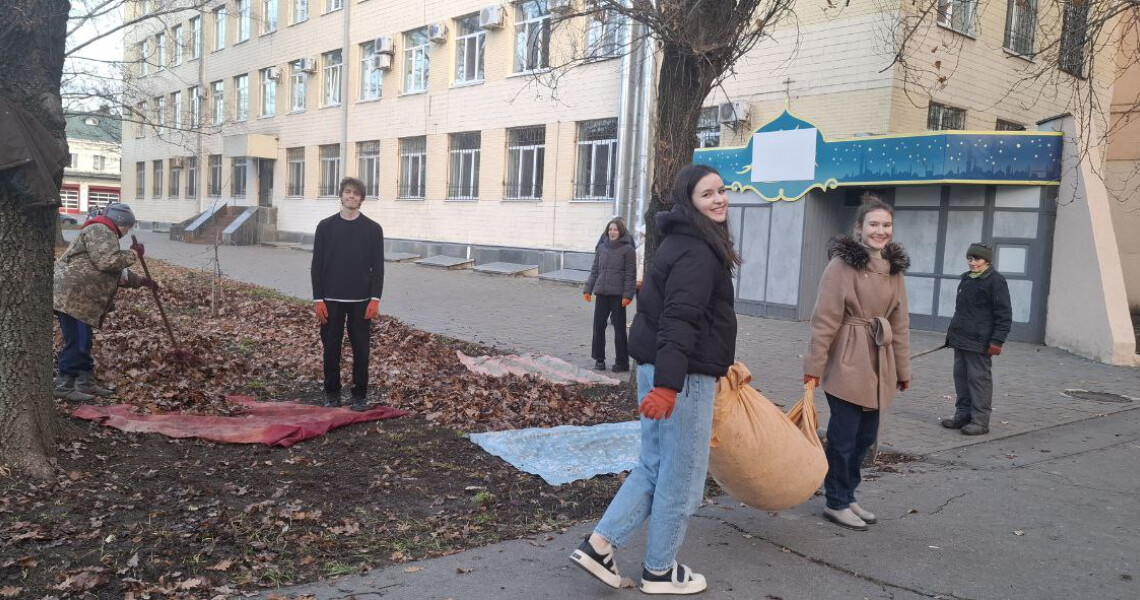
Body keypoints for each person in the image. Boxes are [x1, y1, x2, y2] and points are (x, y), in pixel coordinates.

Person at [570, 164, 739, 595]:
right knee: (681, 476)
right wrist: (669, 385)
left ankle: (599, 545)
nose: (719, 199)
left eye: (721, 191)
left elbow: (677, 315)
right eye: (707, 194)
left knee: (654, 464)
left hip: (663, 367)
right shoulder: (698, 251)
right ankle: (660, 571)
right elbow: (679, 320)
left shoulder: (680, 240)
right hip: (682, 377)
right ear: (689, 202)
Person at [803, 193, 911, 532]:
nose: (880, 231)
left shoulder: (894, 271)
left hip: (880, 363)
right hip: (847, 360)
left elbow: (901, 322)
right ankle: (835, 501)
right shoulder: (841, 266)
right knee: (844, 436)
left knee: (865, 438)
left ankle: (848, 494)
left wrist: (903, 370)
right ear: (859, 228)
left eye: (886, 225)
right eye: (873, 224)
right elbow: (824, 319)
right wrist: (813, 367)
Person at [53, 203, 154, 401]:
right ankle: (65, 386)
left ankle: (85, 383)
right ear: (120, 223)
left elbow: (118, 271)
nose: (126, 232)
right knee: (78, 342)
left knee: (84, 341)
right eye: (127, 227)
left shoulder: (105, 233)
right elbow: (109, 262)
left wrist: (143, 281)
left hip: (81, 300)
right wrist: (133, 254)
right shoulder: (100, 230)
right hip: (73, 298)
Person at [311, 177, 385, 411]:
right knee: (330, 349)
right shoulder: (325, 227)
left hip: (361, 301)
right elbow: (317, 265)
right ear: (341, 195)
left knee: (361, 350)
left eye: (356, 193)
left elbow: (378, 267)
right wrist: (317, 298)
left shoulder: (373, 229)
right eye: (348, 192)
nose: (351, 196)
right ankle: (332, 393)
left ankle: (359, 395)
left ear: (361, 198)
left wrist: (375, 298)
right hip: (330, 299)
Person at [941, 243, 1012, 436]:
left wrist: (997, 341)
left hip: (980, 342)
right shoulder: (966, 279)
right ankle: (962, 416)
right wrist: (951, 336)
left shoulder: (995, 281)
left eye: (977, 259)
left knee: (978, 380)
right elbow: (961, 311)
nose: (972, 263)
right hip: (961, 339)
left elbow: (1004, 315)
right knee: (961, 378)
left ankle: (980, 421)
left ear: (987, 261)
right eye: (970, 259)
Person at [583, 217, 637, 373]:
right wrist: (588, 289)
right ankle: (599, 359)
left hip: (618, 296)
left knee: (619, 329)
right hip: (602, 293)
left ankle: (622, 362)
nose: (612, 232)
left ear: (620, 232)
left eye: (615, 230)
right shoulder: (602, 248)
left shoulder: (628, 250)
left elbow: (630, 275)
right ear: (607, 232)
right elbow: (595, 270)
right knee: (598, 326)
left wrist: (628, 295)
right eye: (610, 230)